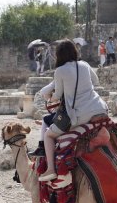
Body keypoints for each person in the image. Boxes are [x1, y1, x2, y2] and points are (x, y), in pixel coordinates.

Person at [38, 40, 109, 182]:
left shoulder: (60, 71)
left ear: (59, 55)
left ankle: (51, 169)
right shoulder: (85, 64)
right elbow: (95, 81)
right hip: (100, 108)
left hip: (80, 115)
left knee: (48, 135)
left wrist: (50, 98)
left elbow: (58, 95)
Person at [31, 64, 102, 157]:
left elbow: (46, 92)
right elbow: (96, 80)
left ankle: (42, 149)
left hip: (76, 113)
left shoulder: (62, 71)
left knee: (46, 121)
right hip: (97, 106)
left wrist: (50, 98)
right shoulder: (84, 66)